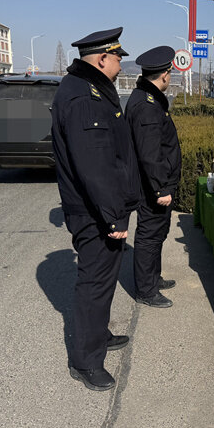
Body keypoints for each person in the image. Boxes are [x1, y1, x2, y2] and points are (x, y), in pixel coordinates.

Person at [51, 27, 140, 391]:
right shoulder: (84, 97)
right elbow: (95, 165)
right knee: (94, 283)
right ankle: (86, 361)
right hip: (95, 212)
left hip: (98, 208)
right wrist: (114, 215)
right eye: (118, 59)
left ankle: (98, 335)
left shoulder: (87, 89)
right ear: (102, 58)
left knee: (102, 281)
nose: (121, 65)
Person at [125, 46, 181, 308]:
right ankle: (146, 290)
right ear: (165, 75)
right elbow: (150, 154)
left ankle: (153, 278)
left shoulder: (148, 99)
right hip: (152, 187)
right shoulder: (146, 105)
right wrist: (160, 189)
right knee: (149, 236)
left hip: (157, 184)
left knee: (158, 233)